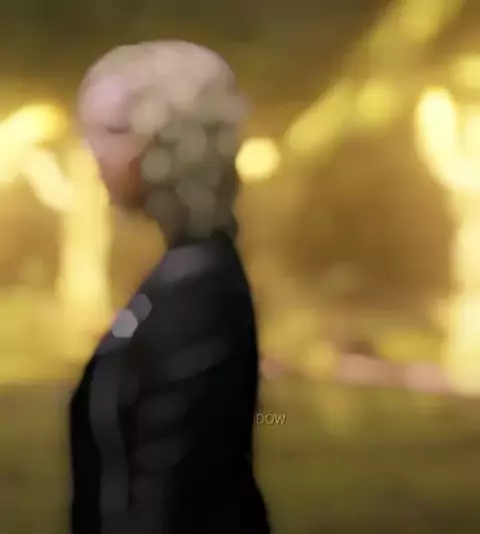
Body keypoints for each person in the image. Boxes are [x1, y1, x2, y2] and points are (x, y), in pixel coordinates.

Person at [69, 41, 270, 534]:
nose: (94, 153)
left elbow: (175, 492)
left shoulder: (198, 292)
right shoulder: (184, 274)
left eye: (116, 132)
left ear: (176, 144)